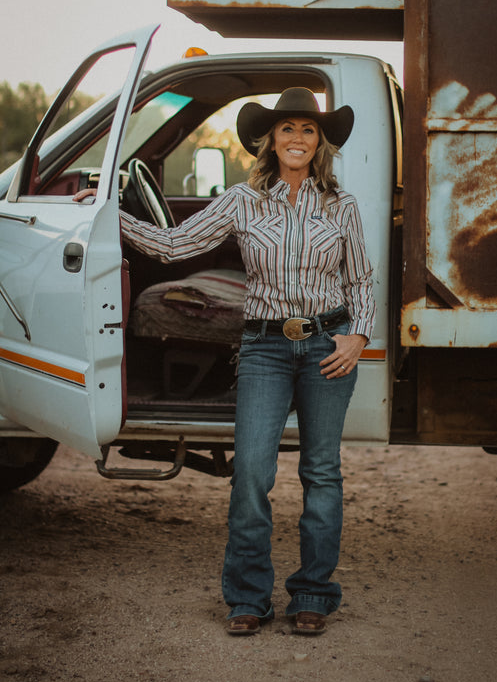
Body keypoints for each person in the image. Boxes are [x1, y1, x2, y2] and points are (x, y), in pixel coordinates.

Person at [75, 87, 376, 636]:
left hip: (326, 347)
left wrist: (357, 336)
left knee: (321, 472)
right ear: (271, 139)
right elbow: (173, 247)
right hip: (262, 347)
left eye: (308, 129)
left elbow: (359, 279)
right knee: (252, 474)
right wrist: (106, 213)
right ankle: (247, 596)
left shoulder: (342, 206)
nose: (298, 138)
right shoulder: (242, 200)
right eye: (288, 129)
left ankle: (313, 592)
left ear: (320, 141)